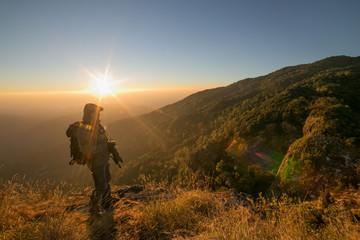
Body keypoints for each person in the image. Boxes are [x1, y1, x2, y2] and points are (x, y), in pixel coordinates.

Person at [76, 103, 115, 215]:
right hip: (95, 162)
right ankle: (93, 208)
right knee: (101, 185)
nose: (98, 115)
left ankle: (107, 204)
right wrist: (105, 146)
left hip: (103, 159)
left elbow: (102, 141)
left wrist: (109, 146)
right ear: (89, 114)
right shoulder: (83, 129)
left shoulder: (98, 126)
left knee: (107, 179)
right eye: (96, 113)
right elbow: (86, 149)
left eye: (99, 113)